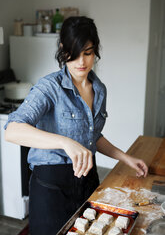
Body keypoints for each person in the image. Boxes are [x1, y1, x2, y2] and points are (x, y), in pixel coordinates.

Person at [4, 16, 148, 235]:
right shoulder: (49, 87)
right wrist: (65, 142)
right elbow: (12, 129)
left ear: (95, 51)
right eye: (74, 52)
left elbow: (93, 136)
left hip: (87, 180)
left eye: (88, 53)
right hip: (51, 187)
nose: (81, 61)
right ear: (63, 49)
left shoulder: (99, 90)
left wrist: (125, 157)